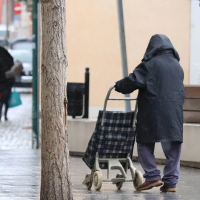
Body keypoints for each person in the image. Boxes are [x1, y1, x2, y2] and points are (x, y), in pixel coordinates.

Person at [115, 34, 185, 192]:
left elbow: (132, 81)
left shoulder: (148, 64)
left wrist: (118, 85)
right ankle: (171, 183)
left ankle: (153, 176)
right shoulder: (177, 66)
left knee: (144, 143)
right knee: (173, 145)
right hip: (174, 112)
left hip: (152, 111)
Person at [0, 46, 23, 121]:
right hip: (7, 83)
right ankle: (4, 116)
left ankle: (3, 116)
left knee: (3, 101)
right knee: (4, 101)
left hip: (5, 83)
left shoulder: (4, 53)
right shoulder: (5, 53)